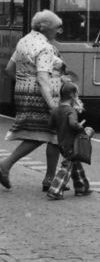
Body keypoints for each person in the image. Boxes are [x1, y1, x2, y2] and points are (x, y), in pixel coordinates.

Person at [0, 10, 64, 191]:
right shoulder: (45, 47)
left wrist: (24, 82)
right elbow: (43, 78)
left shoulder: (24, 41)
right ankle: (6, 165)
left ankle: (49, 178)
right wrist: (52, 104)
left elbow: (9, 69)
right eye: (57, 27)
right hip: (41, 94)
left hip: (23, 91)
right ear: (45, 28)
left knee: (50, 134)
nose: (59, 31)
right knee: (47, 133)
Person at [47, 81, 93, 199]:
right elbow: (73, 124)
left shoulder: (56, 110)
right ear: (72, 95)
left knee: (75, 163)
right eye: (76, 94)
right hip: (72, 143)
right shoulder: (71, 110)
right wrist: (80, 126)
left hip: (61, 142)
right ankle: (55, 190)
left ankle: (81, 187)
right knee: (67, 167)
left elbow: (50, 125)